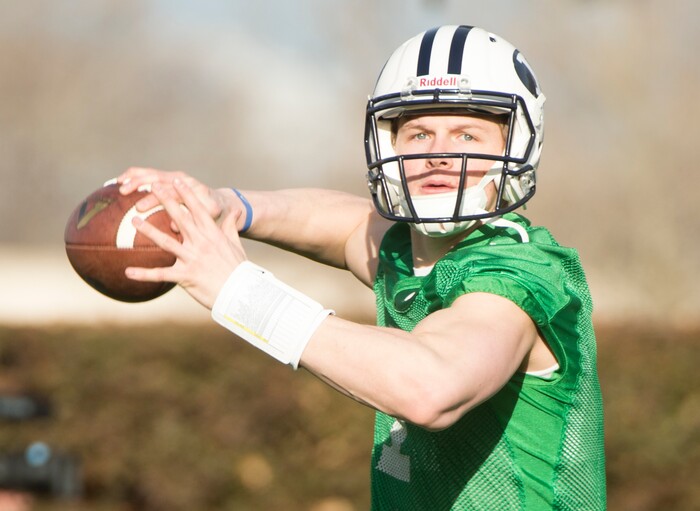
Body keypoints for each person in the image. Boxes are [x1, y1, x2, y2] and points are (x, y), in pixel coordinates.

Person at [117, 25, 606, 510]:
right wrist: (230, 206)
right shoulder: (408, 249)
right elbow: (346, 223)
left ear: (514, 146)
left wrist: (242, 293)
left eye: (466, 133)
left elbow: (431, 388)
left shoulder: (520, 269)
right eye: (418, 133)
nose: (438, 154)